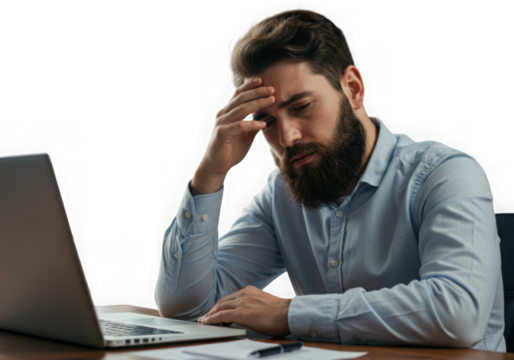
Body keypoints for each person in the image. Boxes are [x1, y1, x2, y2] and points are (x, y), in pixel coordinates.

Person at [154, 8, 506, 352]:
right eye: (268, 122)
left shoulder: (446, 174)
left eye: (301, 106)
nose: (287, 137)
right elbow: (186, 306)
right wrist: (209, 175)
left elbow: (459, 313)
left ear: (352, 88)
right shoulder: (281, 194)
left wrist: (290, 313)